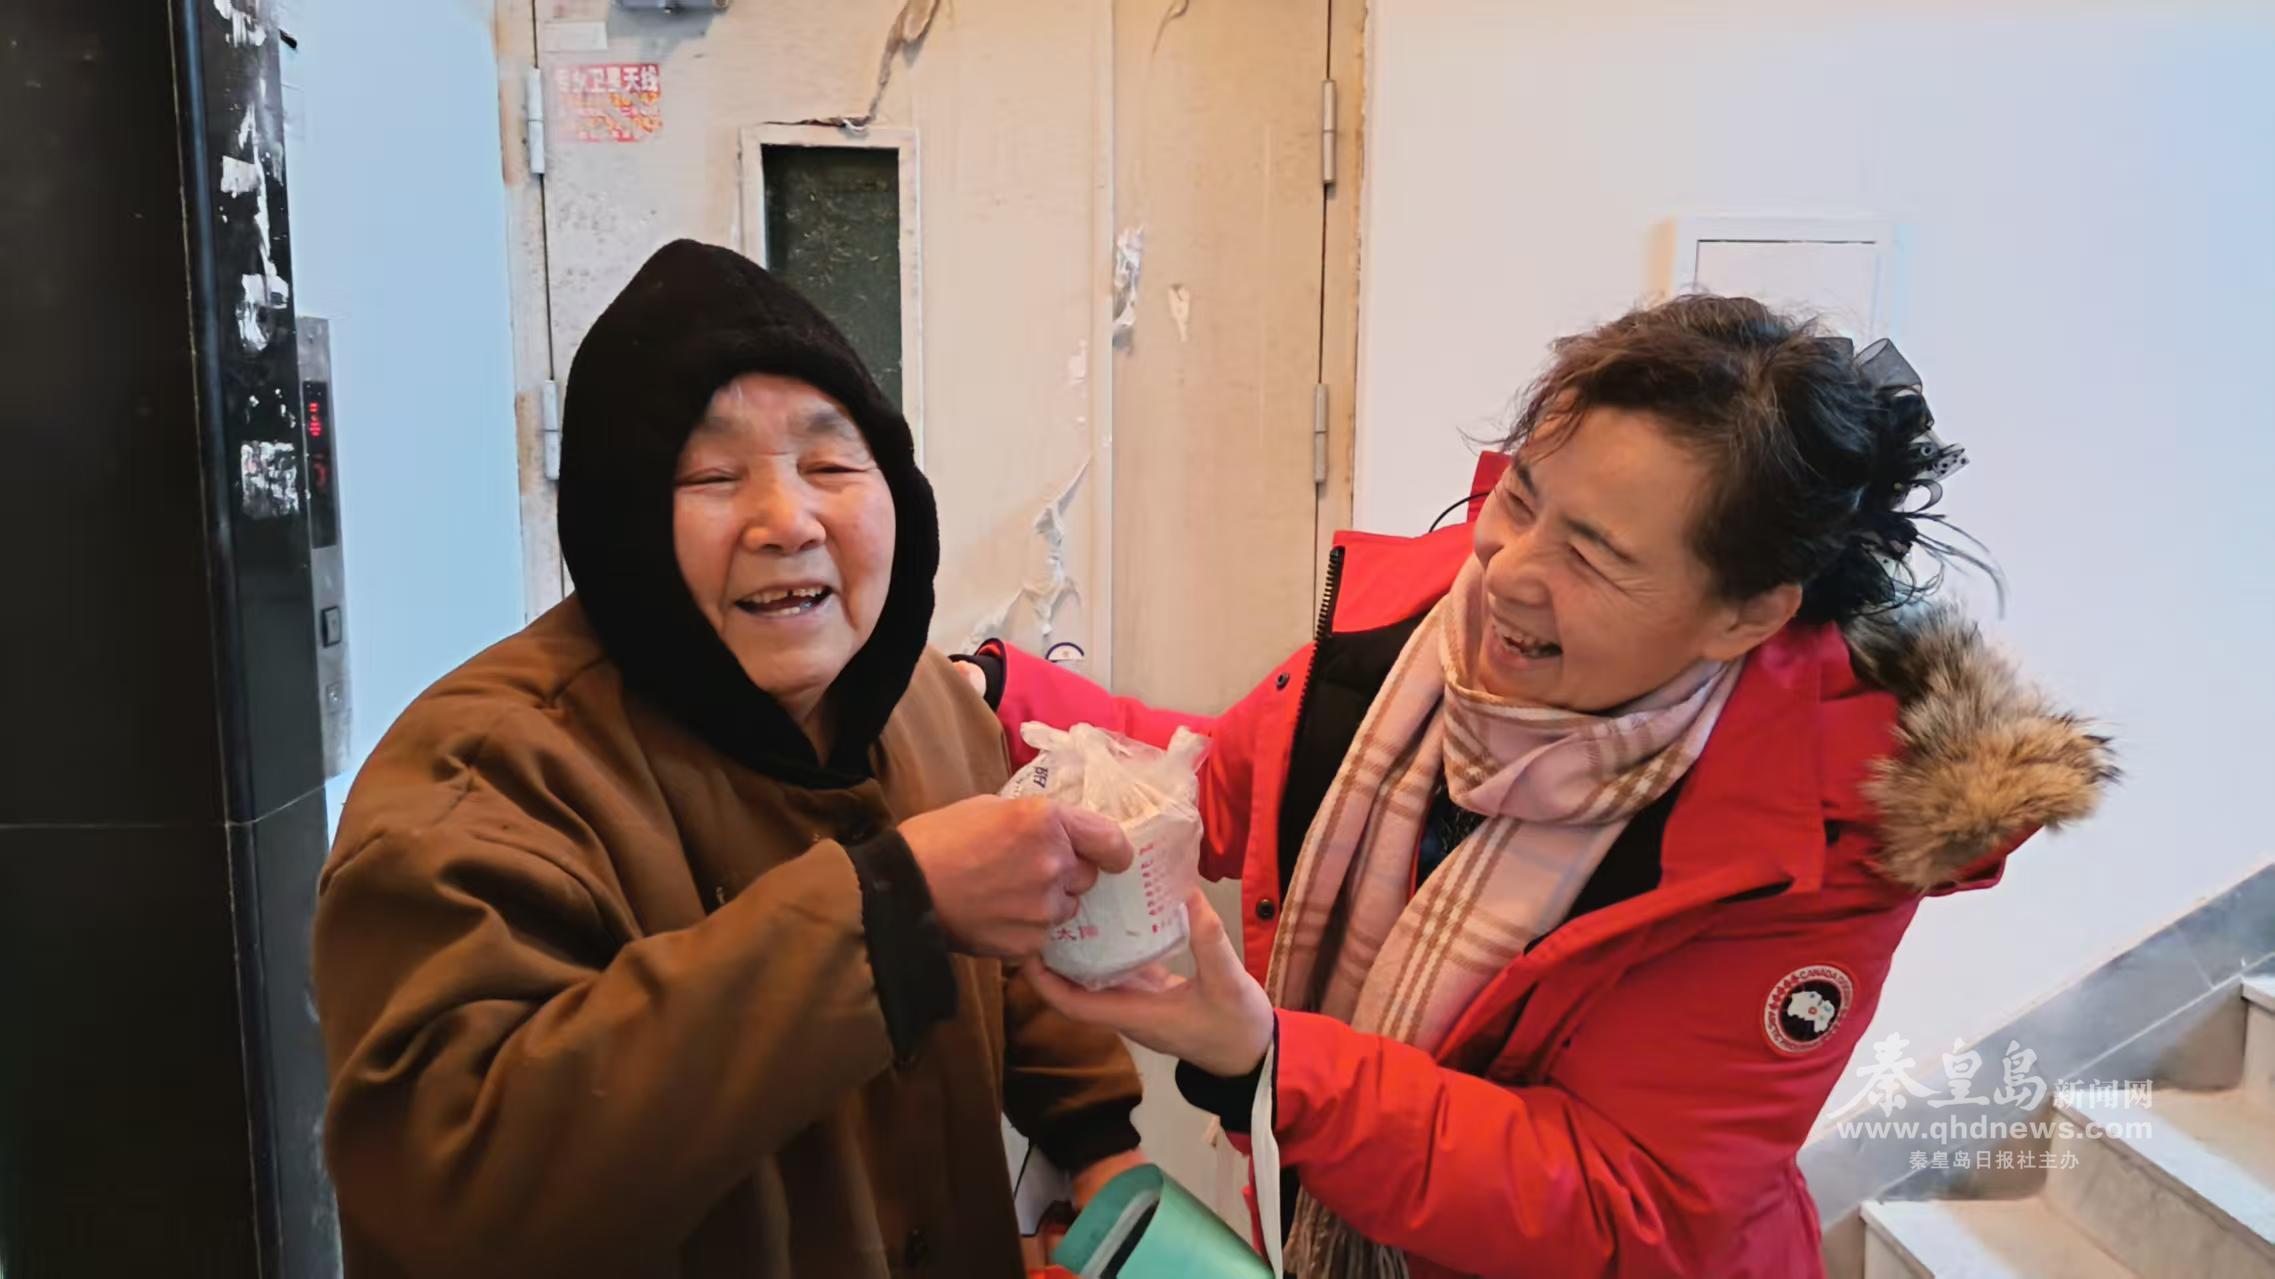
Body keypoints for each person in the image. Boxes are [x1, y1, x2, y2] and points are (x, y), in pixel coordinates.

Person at [960, 296, 2116, 1278]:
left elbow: (1629, 1201)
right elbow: (1229, 785)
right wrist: (990, 697)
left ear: (1742, 613)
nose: (1508, 571)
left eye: (1593, 556)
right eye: (1519, 499)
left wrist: (1275, 1062)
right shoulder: (1418, 647)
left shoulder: (1819, 837)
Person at [313, 240, 1147, 1279]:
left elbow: (1006, 952)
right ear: (622, 520)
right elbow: (452, 1191)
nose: (786, 520)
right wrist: (890, 911)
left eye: (831, 466)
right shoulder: (484, 780)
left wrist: (1098, 1140)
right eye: (711, 475)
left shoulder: (928, 705)